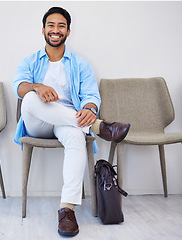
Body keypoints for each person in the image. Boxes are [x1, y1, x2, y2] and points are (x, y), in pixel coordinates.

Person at [12, 7, 130, 237]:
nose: (55, 30)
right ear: (43, 29)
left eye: (61, 26)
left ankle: (67, 210)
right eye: (51, 25)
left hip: (69, 122)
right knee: (29, 98)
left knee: (76, 136)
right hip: (38, 123)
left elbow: (91, 96)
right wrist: (37, 87)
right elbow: (19, 87)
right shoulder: (30, 61)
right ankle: (99, 127)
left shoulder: (80, 64)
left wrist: (88, 109)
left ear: (68, 31)